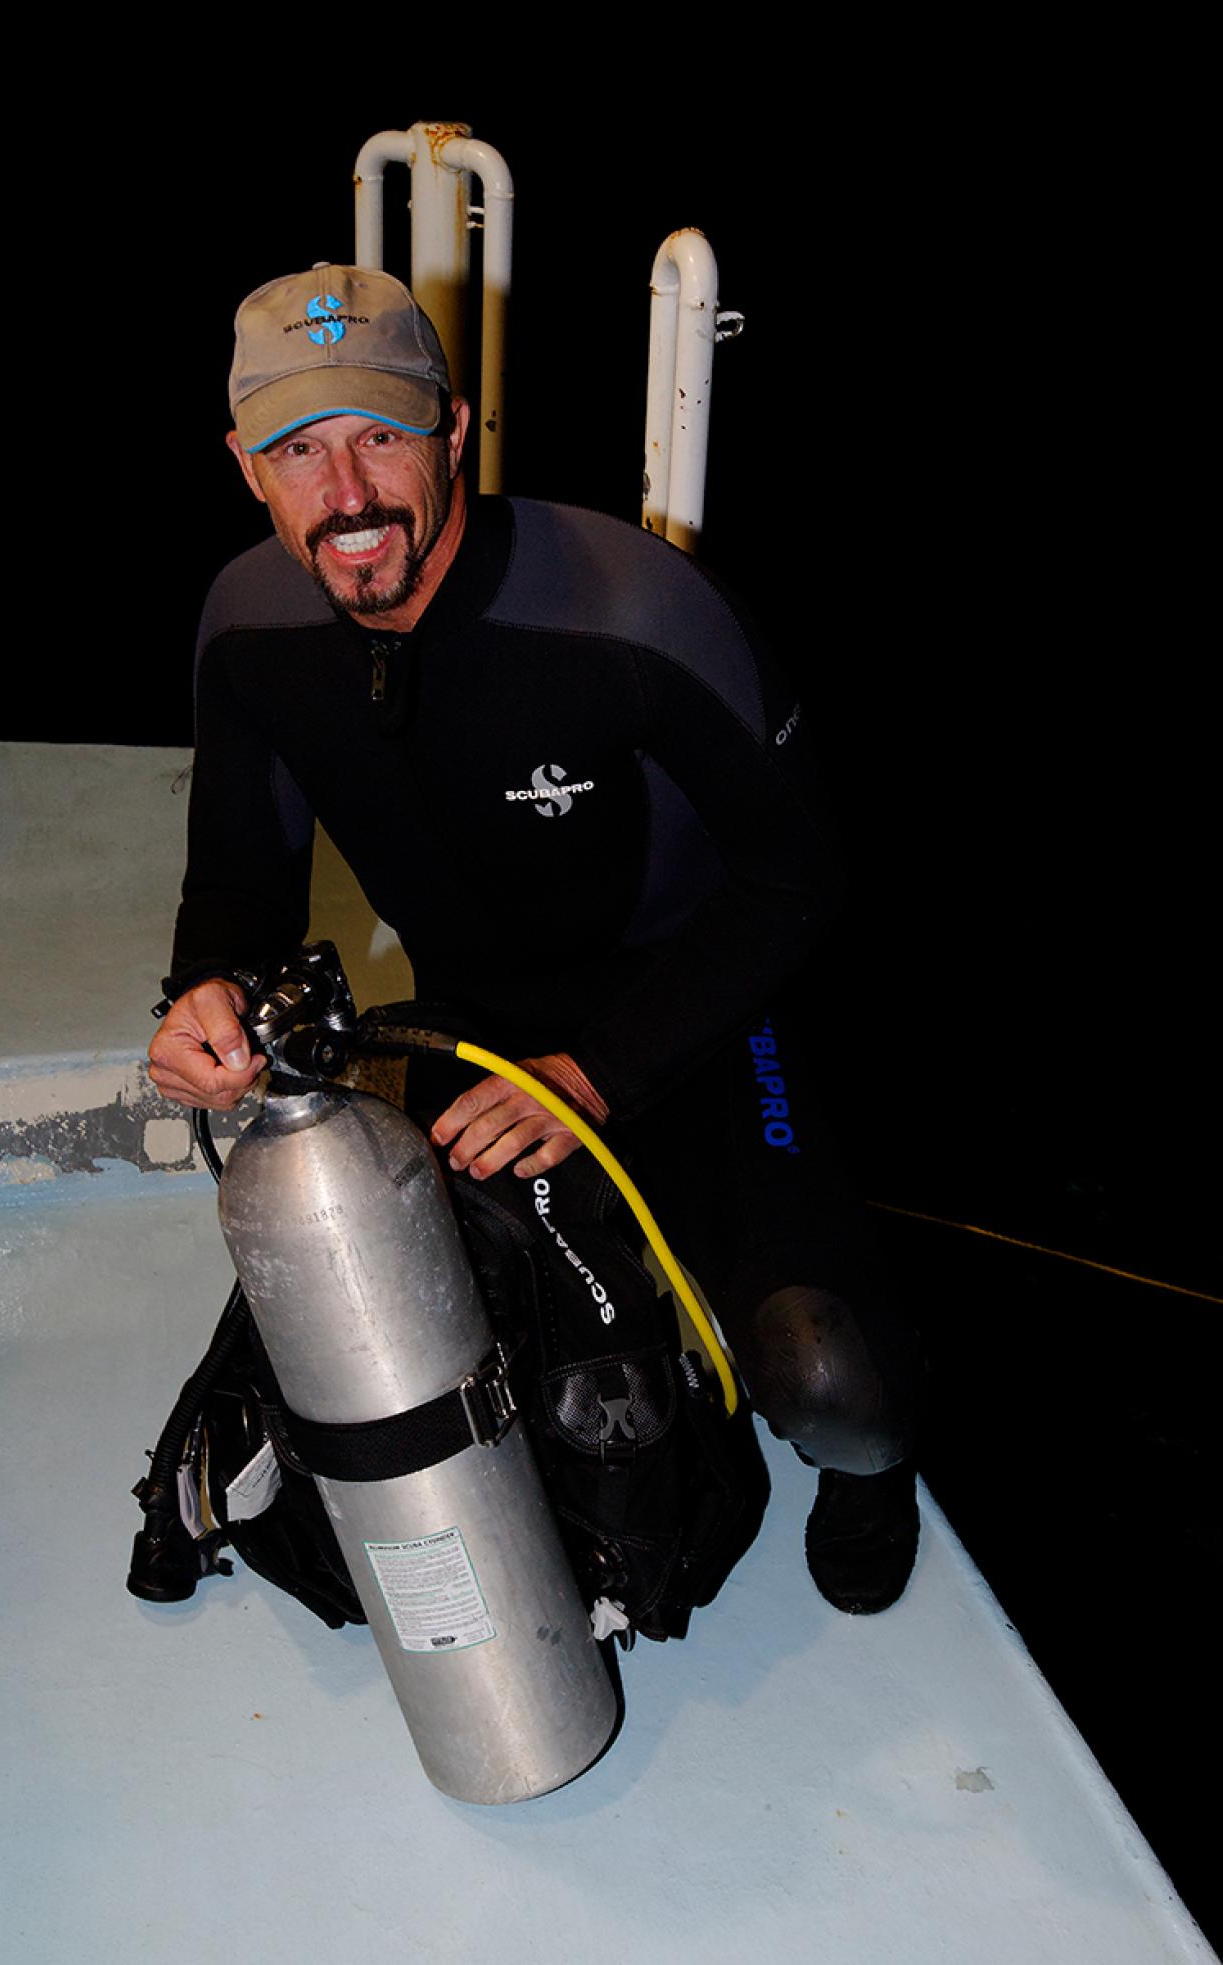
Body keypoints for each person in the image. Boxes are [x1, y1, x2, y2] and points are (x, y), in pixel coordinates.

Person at [148, 264, 925, 1614]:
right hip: (473, 1021)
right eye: (298, 449)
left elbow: (799, 874)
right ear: (243, 466)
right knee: (393, 1362)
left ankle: (876, 1478)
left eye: (380, 436)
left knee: (831, 1378)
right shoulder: (248, 627)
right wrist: (206, 993)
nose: (347, 492)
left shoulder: (627, 610)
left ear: (452, 432)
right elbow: (239, 878)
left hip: (688, 1006)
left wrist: (595, 1074)